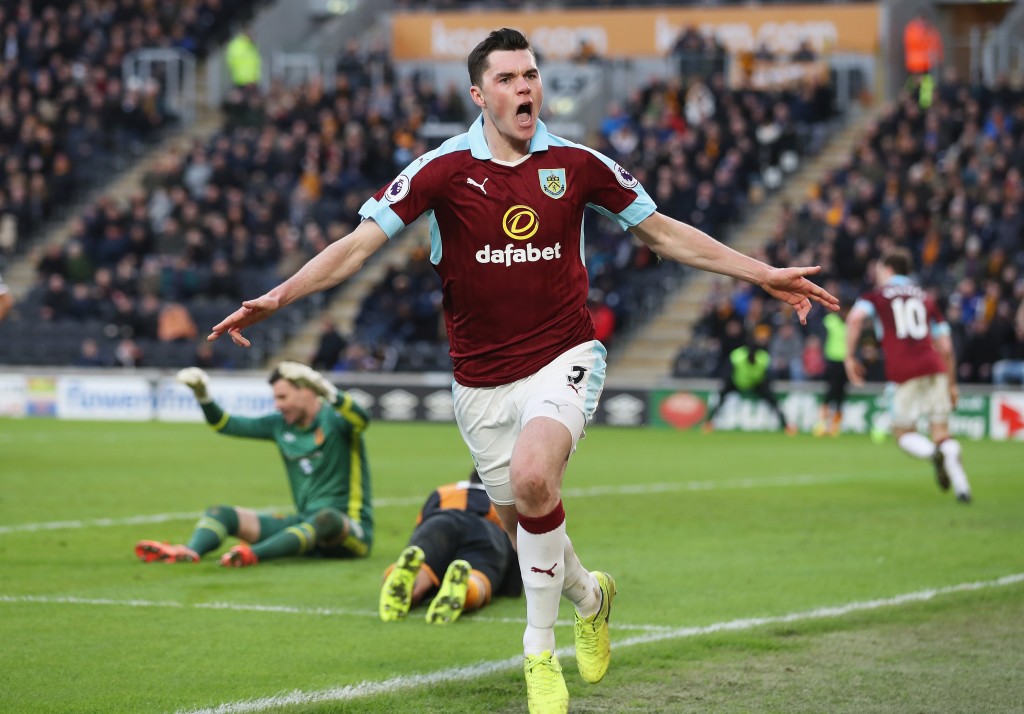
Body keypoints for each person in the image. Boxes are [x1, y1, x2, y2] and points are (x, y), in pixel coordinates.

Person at [206, 28, 838, 713]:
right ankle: (592, 599)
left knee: (538, 478)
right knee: (529, 513)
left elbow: (662, 231)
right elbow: (358, 246)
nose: (524, 87)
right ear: (480, 96)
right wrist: (278, 297)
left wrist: (764, 272)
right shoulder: (441, 170)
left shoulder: (577, 163)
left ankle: (539, 653)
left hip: (563, 356)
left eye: (530, 74)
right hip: (479, 383)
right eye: (507, 79)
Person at [135, 361, 374, 566]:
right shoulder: (279, 425)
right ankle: (189, 551)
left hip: (349, 530)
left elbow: (362, 418)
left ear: (307, 392)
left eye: (283, 397)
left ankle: (252, 555)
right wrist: (202, 395)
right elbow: (225, 424)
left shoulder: (335, 420)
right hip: (303, 526)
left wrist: (326, 388)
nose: (277, 405)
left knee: (326, 518)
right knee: (221, 513)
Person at [844, 248, 972, 503]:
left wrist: (849, 358)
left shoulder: (877, 296)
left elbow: (855, 319)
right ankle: (962, 489)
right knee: (942, 432)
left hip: (904, 371)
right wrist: (952, 384)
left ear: (888, 269)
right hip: (935, 368)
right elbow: (946, 346)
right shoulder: (926, 298)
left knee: (903, 433)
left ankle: (933, 454)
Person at [379, 470, 521, 625]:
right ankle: (467, 588)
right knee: (480, 575)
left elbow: (422, 526)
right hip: (486, 529)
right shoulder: (507, 500)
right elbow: (515, 549)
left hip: (441, 521)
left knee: (423, 565)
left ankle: (402, 577)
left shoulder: (442, 491)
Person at [702, 327, 796, 435]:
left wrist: (766, 385)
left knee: (772, 401)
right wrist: (726, 383)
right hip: (738, 383)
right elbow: (727, 372)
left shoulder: (758, 357)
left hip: (755, 384)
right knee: (721, 398)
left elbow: (767, 376)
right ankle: (708, 423)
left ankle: (786, 425)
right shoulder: (742, 356)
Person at [813, 303, 850, 437]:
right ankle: (821, 423)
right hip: (832, 361)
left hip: (845, 362)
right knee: (831, 391)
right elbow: (821, 335)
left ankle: (835, 425)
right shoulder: (830, 321)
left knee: (841, 394)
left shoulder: (850, 323)